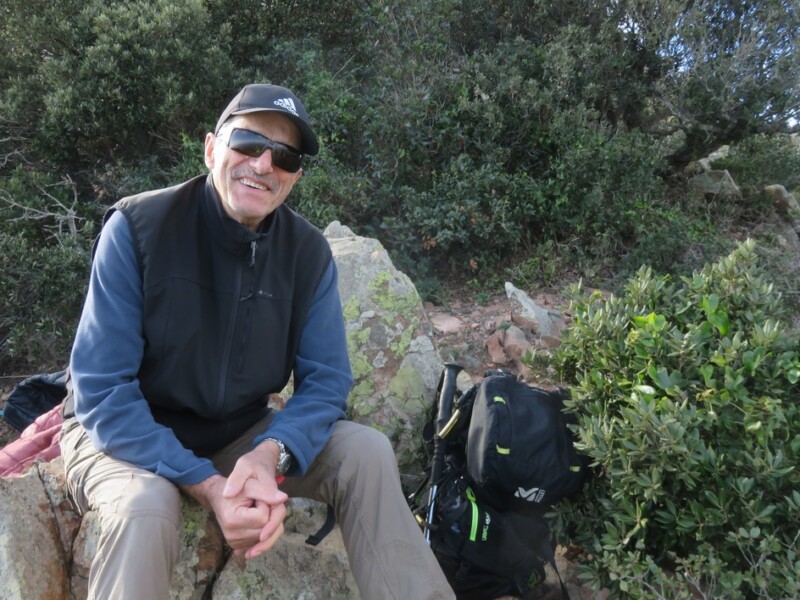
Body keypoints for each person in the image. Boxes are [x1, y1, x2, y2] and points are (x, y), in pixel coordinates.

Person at [60, 83, 455, 600]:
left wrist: (271, 452)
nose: (264, 164)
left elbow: (327, 381)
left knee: (365, 451)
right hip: (123, 438)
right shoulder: (138, 228)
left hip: (237, 433)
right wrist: (208, 486)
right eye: (248, 143)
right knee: (146, 508)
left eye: (285, 156)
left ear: (294, 176)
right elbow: (102, 390)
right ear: (211, 149)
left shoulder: (307, 254)